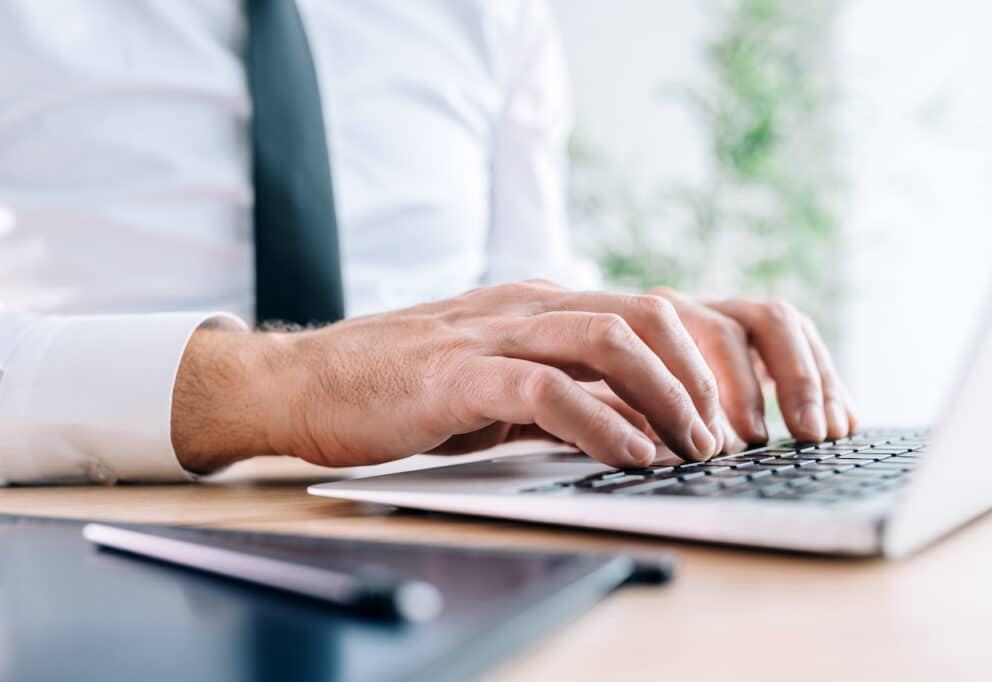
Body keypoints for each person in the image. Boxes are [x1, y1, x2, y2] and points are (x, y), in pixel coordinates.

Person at [0, 0, 856, 486]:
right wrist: (283, 387)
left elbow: (525, 284)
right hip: (96, 535)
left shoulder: (491, 14)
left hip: (442, 521)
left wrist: (621, 343)